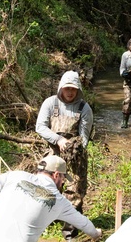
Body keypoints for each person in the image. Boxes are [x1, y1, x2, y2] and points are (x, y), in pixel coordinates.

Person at [0, 155, 102, 242]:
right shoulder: (59, 201)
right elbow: (84, 224)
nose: (62, 183)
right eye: (63, 178)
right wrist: (96, 233)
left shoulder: (14, 175)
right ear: (56, 175)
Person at [35, 70, 94, 240]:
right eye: (67, 88)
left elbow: (84, 138)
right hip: (53, 152)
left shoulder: (85, 108)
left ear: (78, 90)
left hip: (76, 154)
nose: (70, 92)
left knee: (74, 191)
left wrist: (72, 149)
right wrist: (58, 139)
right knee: (46, 187)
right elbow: (40, 127)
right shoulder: (50, 103)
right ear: (61, 87)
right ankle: (45, 221)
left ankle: (70, 232)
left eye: (73, 89)